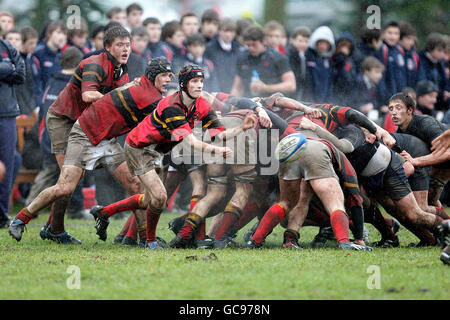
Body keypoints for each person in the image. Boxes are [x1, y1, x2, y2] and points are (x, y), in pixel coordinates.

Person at [89, 64, 257, 250]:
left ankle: (104, 212)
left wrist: (242, 128)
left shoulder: (201, 104)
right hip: (139, 148)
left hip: (158, 151)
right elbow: (191, 141)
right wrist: (217, 151)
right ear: (184, 84)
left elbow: (218, 134)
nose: (199, 85)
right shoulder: (172, 106)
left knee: (148, 200)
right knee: (160, 197)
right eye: (194, 81)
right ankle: (150, 242)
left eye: (201, 81)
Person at [8, 26, 132, 243]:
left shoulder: (121, 70)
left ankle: (133, 235)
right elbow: (88, 94)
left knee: (84, 180)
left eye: (127, 45)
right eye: (120, 45)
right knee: (69, 182)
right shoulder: (95, 63)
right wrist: (121, 93)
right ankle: (40, 224)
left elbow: (116, 106)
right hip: (64, 120)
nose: (125, 49)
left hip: (89, 124)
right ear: (107, 47)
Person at [388, 92, 450, 210]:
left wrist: (416, 161)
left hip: (445, 158)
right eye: (391, 109)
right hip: (437, 162)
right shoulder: (398, 135)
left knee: (426, 204)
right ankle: (444, 225)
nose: (394, 112)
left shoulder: (425, 123)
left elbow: (447, 153)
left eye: (398, 108)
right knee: (429, 201)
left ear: (410, 110)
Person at [0, 36, 25, 228]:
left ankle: (2, 214)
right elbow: (13, 70)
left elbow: (21, 74)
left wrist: (9, 70)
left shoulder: (7, 46)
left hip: (8, 112)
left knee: (7, 164)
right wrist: (9, 69)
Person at [231, 26, 296, 98]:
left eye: (254, 45)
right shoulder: (242, 58)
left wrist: (266, 88)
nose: (251, 48)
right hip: (250, 102)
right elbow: (237, 88)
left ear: (263, 42)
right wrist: (232, 104)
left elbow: (291, 85)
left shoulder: (277, 58)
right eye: (248, 45)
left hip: (273, 104)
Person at [32, 20, 67, 105]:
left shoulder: (63, 55)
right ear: (49, 34)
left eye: (64, 34)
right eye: (58, 33)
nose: (62, 37)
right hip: (40, 103)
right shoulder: (38, 52)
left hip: (57, 103)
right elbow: (35, 83)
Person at [205, 18, 242, 93]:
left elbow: (240, 70)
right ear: (219, 31)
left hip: (233, 92)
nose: (228, 34)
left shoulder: (238, 49)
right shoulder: (210, 48)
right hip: (214, 91)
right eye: (225, 31)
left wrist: (236, 88)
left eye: (231, 31)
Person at [417, 33, 448, 111]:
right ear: (430, 48)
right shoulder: (421, 60)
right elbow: (423, 81)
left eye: (443, 51)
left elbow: (444, 81)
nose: (442, 54)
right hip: (427, 99)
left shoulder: (440, 63)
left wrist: (444, 92)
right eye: (439, 50)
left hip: (438, 99)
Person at [304, 25, 335, 103]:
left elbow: (329, 84)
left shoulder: (328, 61)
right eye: (321, 43)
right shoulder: (308, 56)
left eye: (326, 44)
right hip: (309, 102)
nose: (323, 46)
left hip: (324, 103)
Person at [332, 31, 358, 106]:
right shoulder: (331, 60)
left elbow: (349, 81)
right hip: (334, 98)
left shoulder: (350, 62)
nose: (344, 50)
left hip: (347, 99)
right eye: (342, 46)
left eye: (347, 47)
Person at [286, 26, 311, 100]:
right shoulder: (289, 54)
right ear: (292, 40)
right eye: (300, 41)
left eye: (306, 41)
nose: (303, 44)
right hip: (290, 95)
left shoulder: (304, 55)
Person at [398, 22, 419, 90]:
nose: (412, 43)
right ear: (399, 38)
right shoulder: (393, 54)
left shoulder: (413, 56)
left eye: (413, 39)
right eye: (409, 39)